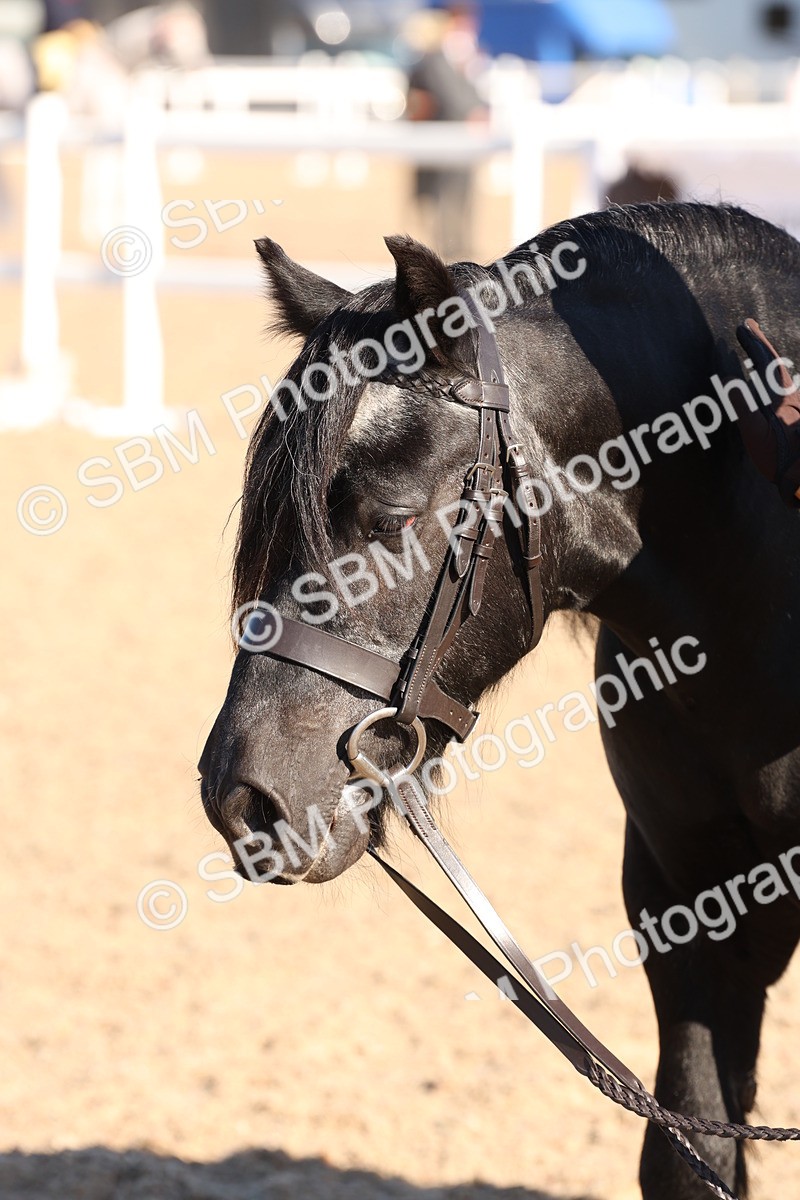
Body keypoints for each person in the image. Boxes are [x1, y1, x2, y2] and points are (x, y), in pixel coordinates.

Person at [404, 3, 487, 261]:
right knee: (444, 196)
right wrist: (472, 112)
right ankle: (449, 250)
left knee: (462, 195)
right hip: (444, 137)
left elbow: (472, 92)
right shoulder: (434, 59)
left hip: (462, 139)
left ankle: (460, 247)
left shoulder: (464, 57)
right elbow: (446, 95)